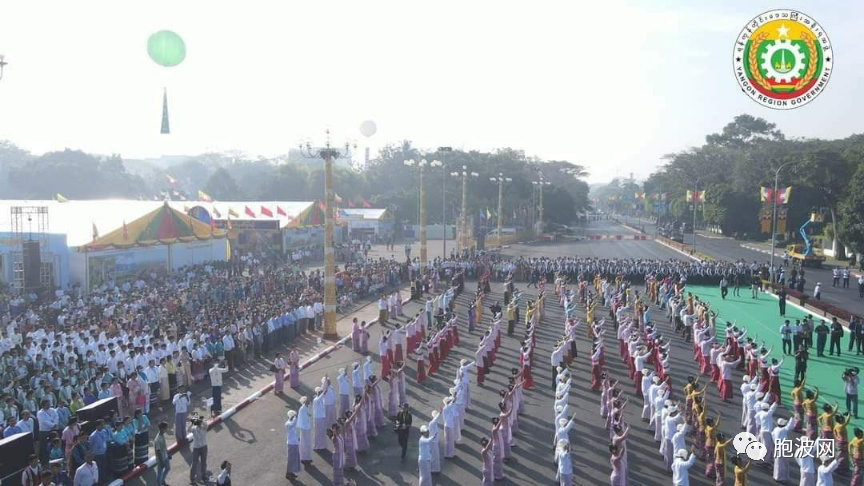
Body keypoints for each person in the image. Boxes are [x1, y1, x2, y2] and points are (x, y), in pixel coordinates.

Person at [190, 416, 208, 484]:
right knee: (194, 464)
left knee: (204, 463)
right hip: (196, 448)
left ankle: (204, 476)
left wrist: (201, 420)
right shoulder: (194, 428)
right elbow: (188, 430)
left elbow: (206, 424)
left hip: (203, 447)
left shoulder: (204, 428)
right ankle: (192, 479)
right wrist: (192, 423)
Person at [284, 410, 300, 480]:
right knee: (290, 459)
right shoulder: (288, 424)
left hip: (294, 443)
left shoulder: (291, 423)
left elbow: (295, 431)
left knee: (294, 459)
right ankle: (288, 473)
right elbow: (293, 424)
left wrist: (297, 438)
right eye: (293, 416)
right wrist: (295, 417)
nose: (294, 417)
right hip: (291, 444)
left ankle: (291, 472)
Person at [154, 421, 170, 486]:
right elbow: (158, 451)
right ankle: (159, 484)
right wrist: (161, 461)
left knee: (168, 468)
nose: (166, 429)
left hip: (165, 456)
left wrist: (168, 454)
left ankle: (162, 480)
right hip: (160, 459)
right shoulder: (157, 439)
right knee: (159, 472)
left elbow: (164, 446)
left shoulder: (162, 435)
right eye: (165, 428)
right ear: (161, 428)